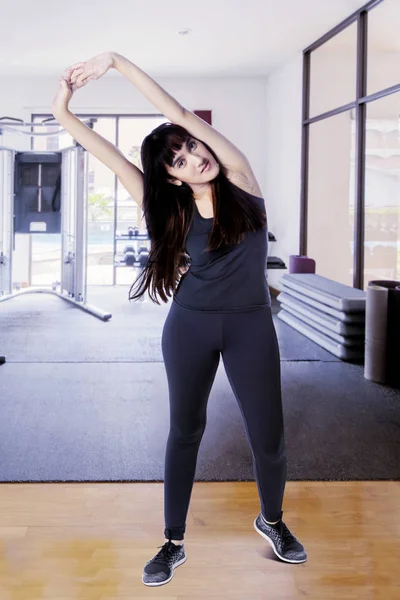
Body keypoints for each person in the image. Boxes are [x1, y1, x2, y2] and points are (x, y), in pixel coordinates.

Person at [52, 51, 307, 588]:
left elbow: (176, 110)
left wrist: (117, 62)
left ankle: (273, 521)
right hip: (189, 327)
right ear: (168, 177)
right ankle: (173, 542)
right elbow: (105, 154)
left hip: (250, 325)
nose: (194, 156)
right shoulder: (165, 206)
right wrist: (64, 110)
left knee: (269, 435)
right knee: (185, 431)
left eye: (192, 145)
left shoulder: (242, 180)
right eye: (180, 158)